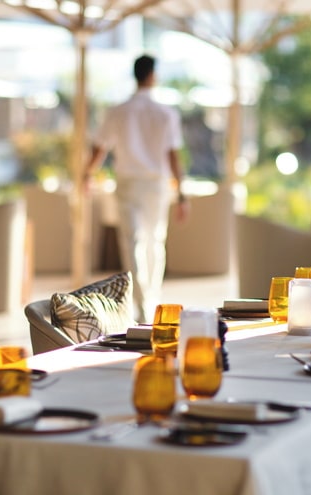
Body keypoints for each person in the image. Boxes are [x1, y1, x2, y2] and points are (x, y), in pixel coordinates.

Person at [83, 54, 188, 323]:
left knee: (133, 243)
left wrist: (86, 175)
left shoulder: (118, 111)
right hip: (156, 185)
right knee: (155, 242)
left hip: (129, 183)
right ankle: (151, 300)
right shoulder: (166, 113)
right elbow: (173, 156)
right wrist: (183, 194)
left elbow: (99, 148)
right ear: (153, 76)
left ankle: (142, 305)